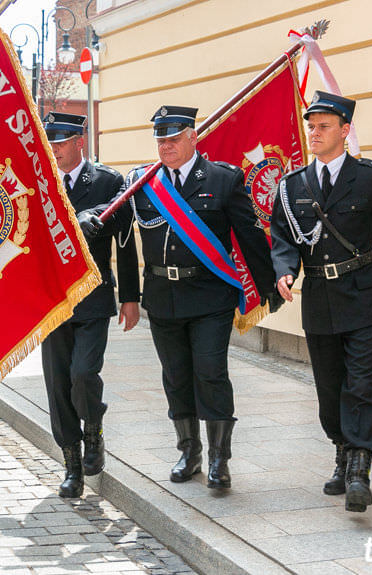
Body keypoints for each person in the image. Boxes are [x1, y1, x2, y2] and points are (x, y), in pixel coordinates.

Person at [82, 106, 277, 490]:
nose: (165, 146)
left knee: (210, 372)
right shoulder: (143, 180)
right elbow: (117, 211)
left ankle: (220, 458)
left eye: (173, 138)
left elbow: (250, 235)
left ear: (193, 137)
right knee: (175, 376)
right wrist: (92, 215)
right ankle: (189, 451)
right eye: (160, 139)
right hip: (163, 295)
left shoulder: (223, 179)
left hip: (209, 296)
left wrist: (271, 285)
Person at [270, 91, 372, 513]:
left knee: (361, 383)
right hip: (319, 297)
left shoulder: (371, 178)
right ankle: (341, 451)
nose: (314, 133)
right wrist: (284, 270)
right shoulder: (292, 184)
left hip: (363, 295)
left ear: (344, 130)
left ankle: (359, 467)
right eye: (311, 126)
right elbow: (282, 238)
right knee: (328, 389)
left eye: (323, 126)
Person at [40, 112, 140, 498]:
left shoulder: (107, 182)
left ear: (80, 140)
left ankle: (93, 428)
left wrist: (130, 298)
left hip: (94, 298)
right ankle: (72, 465)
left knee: (83, 374)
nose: (56, 149)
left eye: (62, 142)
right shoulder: (40, 182)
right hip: (53, 300)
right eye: (51, 142)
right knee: (57, 385)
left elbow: (126, 245)